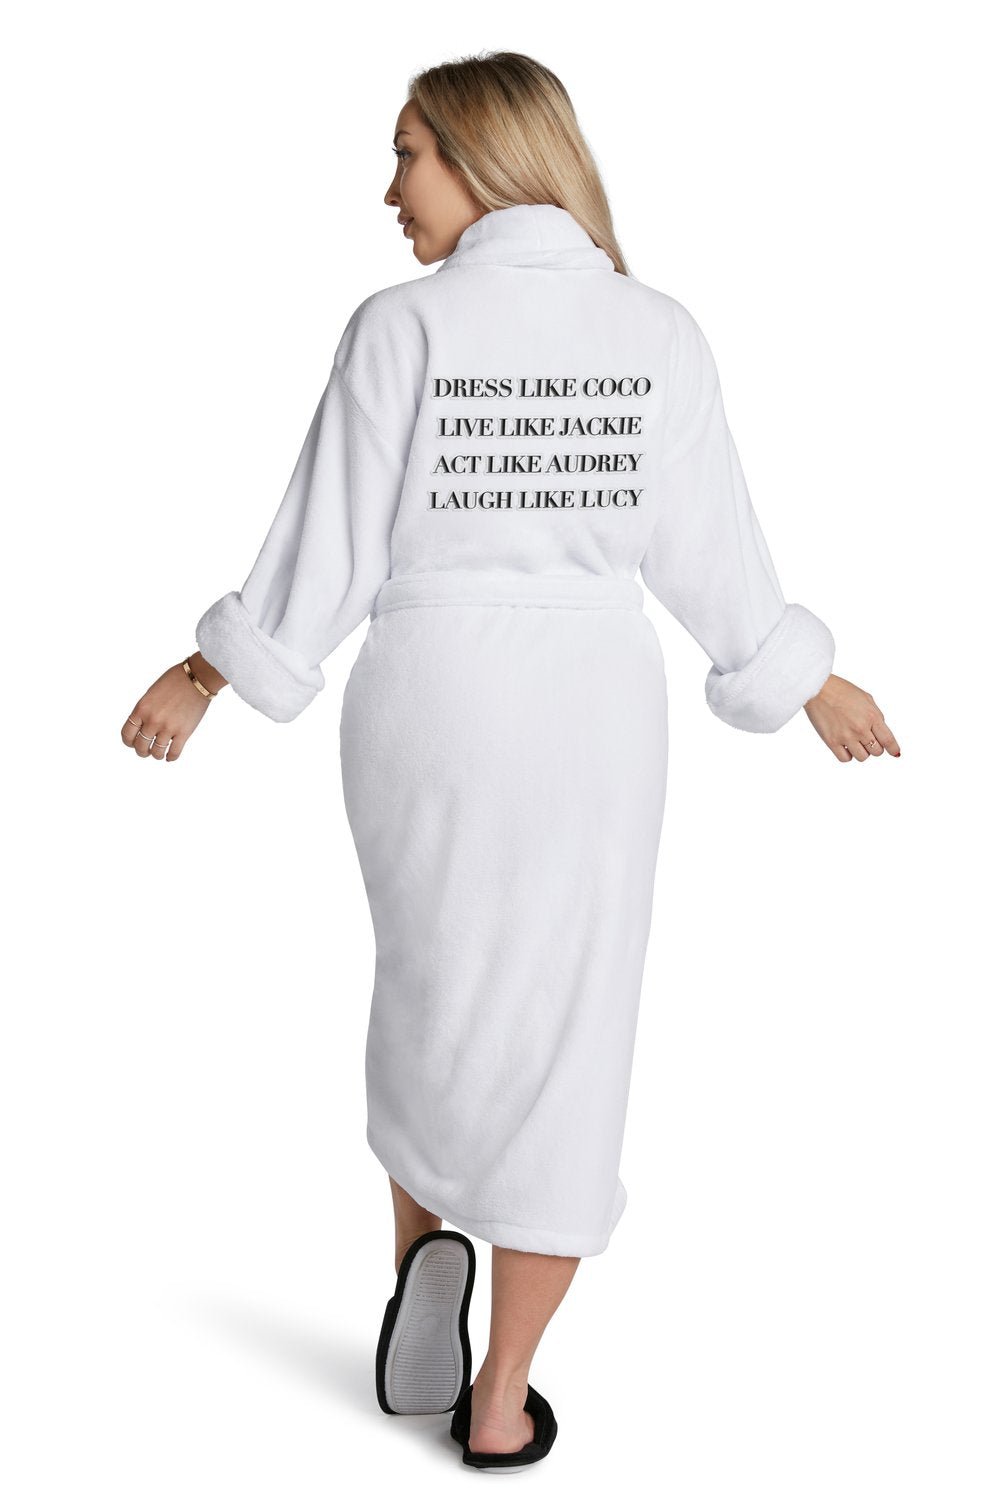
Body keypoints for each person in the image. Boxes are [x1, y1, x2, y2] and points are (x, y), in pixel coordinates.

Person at [120, 51, 900, 1469]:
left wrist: (205, 677)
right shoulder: (655, 331)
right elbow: (711, 547)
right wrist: (805, 680)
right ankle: (500, 1396)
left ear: (483, 153)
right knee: (572, 1020)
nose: (389, 189)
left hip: (429, 695)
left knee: (433, 983)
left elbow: (326, 542)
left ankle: (425, 1254)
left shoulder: (400, 327)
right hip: (591, 708)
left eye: (408, 152)